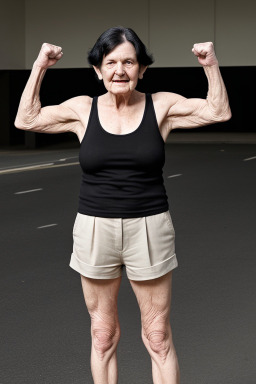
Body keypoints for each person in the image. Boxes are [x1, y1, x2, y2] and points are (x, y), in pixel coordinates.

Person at [15, 26, 231, 384]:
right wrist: (39, 66)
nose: (119, 70)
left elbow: (217, 112)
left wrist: (210, 64)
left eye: (128, 62)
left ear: (141, 69)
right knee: (103, 335)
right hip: (94, 228)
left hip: (149, 226)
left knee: (158, 336)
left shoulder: (160, 105)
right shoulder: (83, 110)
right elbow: (27, 119)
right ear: (97, 71)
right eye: (110, 62)